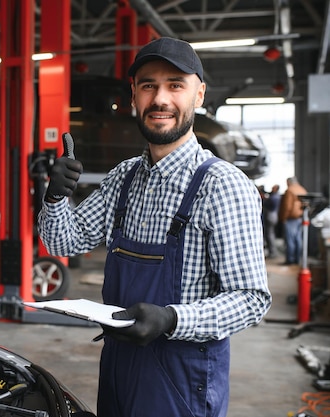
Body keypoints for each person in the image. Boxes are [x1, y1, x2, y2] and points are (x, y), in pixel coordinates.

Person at [37, 37, 271, 417]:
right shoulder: (124, 177)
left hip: (181, 377)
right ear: (134, 96)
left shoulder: (222, 186)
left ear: (199, 95)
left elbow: (251, 299)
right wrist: (55, 198)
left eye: (175, 85)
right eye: (149, 85)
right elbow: (64, 240)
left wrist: (172, 318)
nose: (160, 99)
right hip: (118, 365)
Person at [278, 177, 307, 265]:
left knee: (290, 240)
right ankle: (297, 259)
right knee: (298, 239)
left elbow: (287, 207)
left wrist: (283, 218)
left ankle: (290, 260)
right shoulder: (302, 189)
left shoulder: (290, 190)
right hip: (300, 217)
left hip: (290, 218)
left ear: (289, 182)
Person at [263, 184, 281, 258]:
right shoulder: (275, 195)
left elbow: (269, 204)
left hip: (271, 215)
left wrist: (264, 200)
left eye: (273, 188)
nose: (271, 189)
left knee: (270, 235)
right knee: (270, 234)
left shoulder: (274, 197)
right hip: (273, 215)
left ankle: (272, 252)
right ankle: (272, 251)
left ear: (276, 189)